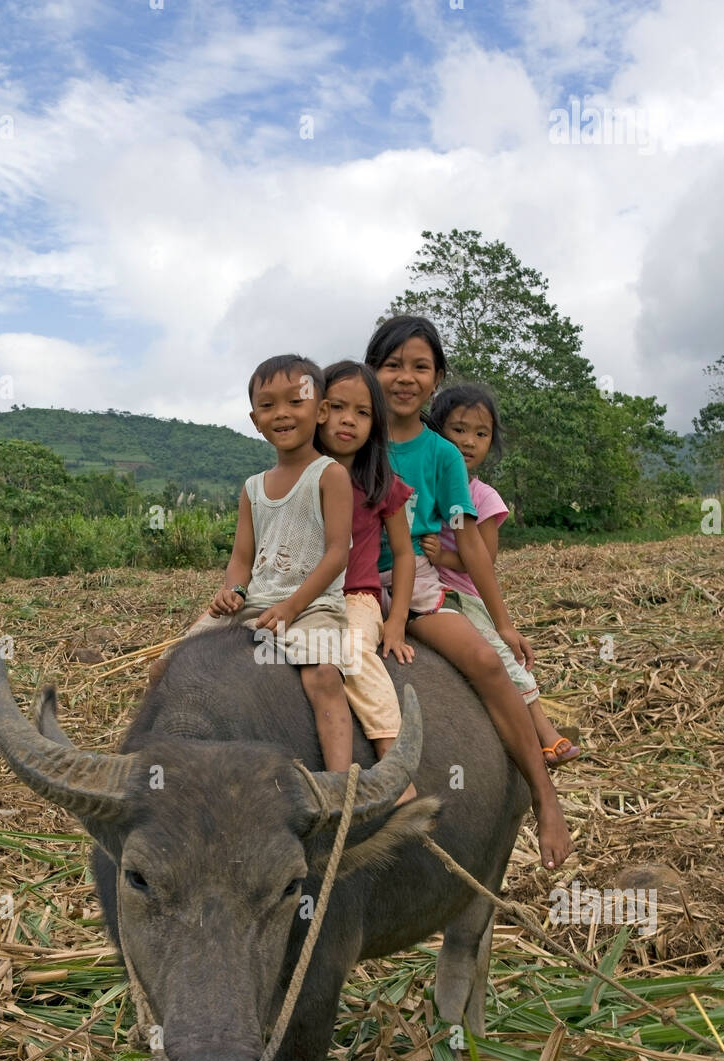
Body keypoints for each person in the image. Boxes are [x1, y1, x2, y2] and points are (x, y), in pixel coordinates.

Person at [364, 314, 572, 870]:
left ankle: (543, 796)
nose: (404, 378)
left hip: (417, 584)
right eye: (391, 366)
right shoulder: (353, 435)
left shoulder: (442, 455)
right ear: (371, 371)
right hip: (352, 580)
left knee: (485, 660)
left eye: (420, 367)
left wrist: (501, 622)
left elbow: (472, 544)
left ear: (436, 380)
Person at [192, 353, 354, 772]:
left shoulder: (329, 475)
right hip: (256, 605)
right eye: (268, 405)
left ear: (320, 411)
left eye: (294, 401)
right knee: (173, 663)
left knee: (322, 676)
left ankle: (342, 784)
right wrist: (233, 592)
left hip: (312, 607)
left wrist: (292, 606)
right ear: (254, 419)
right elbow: (241, 559)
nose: (281, 413)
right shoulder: (252, 488)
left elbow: (338, 553)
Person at [424, 384, 581, 768]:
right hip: (421, 587)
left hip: (462, 593)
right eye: (458, 430)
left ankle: (542, 730)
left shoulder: (483, 497)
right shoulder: (425, 484)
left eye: (481, 434)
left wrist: (444, 554)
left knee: (498, 656)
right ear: (436, 431)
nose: (468, 441)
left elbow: (484, 558)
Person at [316, 360, 417, 800]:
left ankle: (395, 765)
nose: (347, 420)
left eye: (361, 413)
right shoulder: (301, 477)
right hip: (302, 596)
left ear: (375, 424)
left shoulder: (382, 483)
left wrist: (394, 623)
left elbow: (404, 554)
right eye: (337, 407)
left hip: (355, 597)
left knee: (354, 653)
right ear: (317, 410)